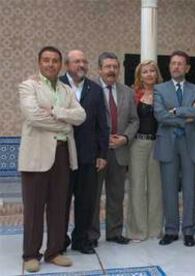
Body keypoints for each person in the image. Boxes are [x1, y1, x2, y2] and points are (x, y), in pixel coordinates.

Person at [18, 46, 86, 272]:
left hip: (63, 154)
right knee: (34, 207)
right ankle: (30, 254)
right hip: (36, 154)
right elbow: (33, 116)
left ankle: (54, 251)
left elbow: (81, 115)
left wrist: (56, 111)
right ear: (39, 63)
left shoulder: (67, 90)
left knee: (59, 206)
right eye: (46, 60)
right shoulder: (29, 86)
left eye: (55, 61)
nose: (50, 64)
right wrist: (65, 124)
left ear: (60, 65)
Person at [154, 51, 195, 247]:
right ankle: (171, 230)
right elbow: (160, 115)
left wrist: (176, 111)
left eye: (180, 64)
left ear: (187, 68)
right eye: (173, 63)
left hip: (189, 144)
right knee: (169, 188)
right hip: (168, 143)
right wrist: (186, 118)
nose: (176, 67)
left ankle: (189, 231)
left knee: (191, 189)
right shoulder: (160, 89)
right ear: (169, 67)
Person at [60, 50, 109, 254]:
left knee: (85, 201)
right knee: (60, 201)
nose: (81, 65)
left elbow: (101, 125)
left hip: (88, 156)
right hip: (61, 155)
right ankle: (59, 241)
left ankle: (81, 240)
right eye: (76, 61)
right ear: (67, 65)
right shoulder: (57, 85)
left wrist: (102, 154)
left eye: (84, 61)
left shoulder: (95, 90)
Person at [90, 52, 139, 246]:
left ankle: (114, 232)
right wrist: (101, 139)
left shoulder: (127, 91)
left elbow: (135, 120)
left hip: (120, 151)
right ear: (99, 69)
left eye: (115, 67)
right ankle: (91, 235)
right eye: (108, 66)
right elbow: (86, 121)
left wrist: (125, 138)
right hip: (97, 153)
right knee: (93, 197)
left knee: (116, 196)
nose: (112, 70)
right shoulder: (90, 89)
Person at [126, 60, 163, 242]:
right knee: (137, 186)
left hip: (157, 144)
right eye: (145, 71)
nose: (149, 74)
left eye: (152, 71)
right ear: (140, 75)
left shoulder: (163, 93)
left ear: (157, 74)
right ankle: (137, 231)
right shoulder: (133, 94)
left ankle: (156, 230)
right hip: (138, 144)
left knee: (156, 188)